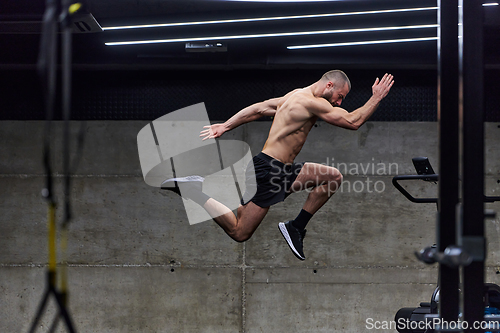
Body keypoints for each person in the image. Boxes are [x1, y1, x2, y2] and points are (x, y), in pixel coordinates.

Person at [162, 70, 394, 260]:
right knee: (239, 232)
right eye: (340, 96)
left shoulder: (294, 96)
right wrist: (376, 97)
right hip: (270, 171)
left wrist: (226, 125)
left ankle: (296, 227)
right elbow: (353, 121)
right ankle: (194, 191)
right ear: (329, 85)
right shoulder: (313, 102)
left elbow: (259, 108)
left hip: (273, 168)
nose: (339, 102)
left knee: (332, 177)